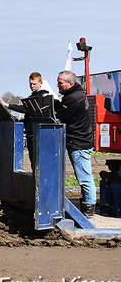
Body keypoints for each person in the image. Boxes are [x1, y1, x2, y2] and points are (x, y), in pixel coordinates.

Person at [54, 70, 96, 217]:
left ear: (70, 84)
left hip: (78, 142)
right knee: (85, 176)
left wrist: (54, 104)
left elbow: (61, 115)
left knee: (84, 177)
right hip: (82, 140)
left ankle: (89, 208)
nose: (57, 85)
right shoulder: (78, 95)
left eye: (60, 82)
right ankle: (88, 204)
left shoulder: (72, 99)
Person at [0, 72, 48, 169]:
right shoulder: (32, 97)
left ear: (40, 83)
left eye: (34, 84)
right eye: (30, 84)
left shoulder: (42, 97)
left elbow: (24, 108)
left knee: (38, 162)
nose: (32, 86)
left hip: (37, 133)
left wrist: (7, 105)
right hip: (30, 132)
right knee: (32, 161)